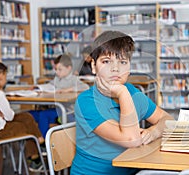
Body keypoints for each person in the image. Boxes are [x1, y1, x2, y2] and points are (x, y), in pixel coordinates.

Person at [71, 30, 174, 175]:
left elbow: (168, 119)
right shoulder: (87, 101)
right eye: (106, 61)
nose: (115, 69)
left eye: (123, 62)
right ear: (94, 66)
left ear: (129, 67)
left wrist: (154, 131)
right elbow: (131, 140)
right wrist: (122, 93)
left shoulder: (133, 92)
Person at [0, 60, 46, 173]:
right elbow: (10, 117)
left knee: (26, 117)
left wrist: (1, 114)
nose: (6, 79)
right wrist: (3, 114)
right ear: (0, 76)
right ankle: (38, 149)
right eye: (5, 76)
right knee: (25, 126)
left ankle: (39, 145)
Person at [30, 53, 89, 138]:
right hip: (55, 108)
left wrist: (67, 90)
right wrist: (38, 88)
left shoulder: (73, 79)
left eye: (60, 69)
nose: (57, 72)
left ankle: (43, 141)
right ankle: (35, 142)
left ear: (69, 68)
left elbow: (85, 87)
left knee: (43, 115)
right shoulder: (57, 79)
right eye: (56, 69)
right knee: (30, 115)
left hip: (67, 111)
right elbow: (49, 86)